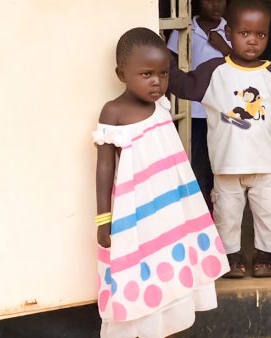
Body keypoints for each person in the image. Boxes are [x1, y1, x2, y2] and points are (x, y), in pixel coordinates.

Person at [92, 27, 229, 338]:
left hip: (171, 210)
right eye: (146, 74)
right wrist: (104, 219)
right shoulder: (113, 113)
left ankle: (169, 329)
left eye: (163, 74)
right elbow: (103, 167)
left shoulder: (162, 106)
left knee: (171, 268)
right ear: (121, 73)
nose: (157, 82)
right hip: (136, 211)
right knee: (141, 270)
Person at [167, 0, 271, 279]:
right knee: (226, 213)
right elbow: (183, 85)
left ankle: (265, 256)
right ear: (229, 33)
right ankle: (231, 257)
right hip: (227, 164)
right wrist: (162, 61)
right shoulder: (214, 71)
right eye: (245, 33)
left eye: (261, 34)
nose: (253, 41)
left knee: (268, 213)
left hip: (265, 165)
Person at [167, 0, 231, 210]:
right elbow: (171, 67)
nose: (215, 4)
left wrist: (224, 48)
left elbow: (245, 66)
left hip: (224, 113)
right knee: (196, 166)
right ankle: (201, 214)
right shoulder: (184, 29)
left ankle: (220, 213)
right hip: (192, 112)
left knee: (221, 166)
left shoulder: (232, 31)